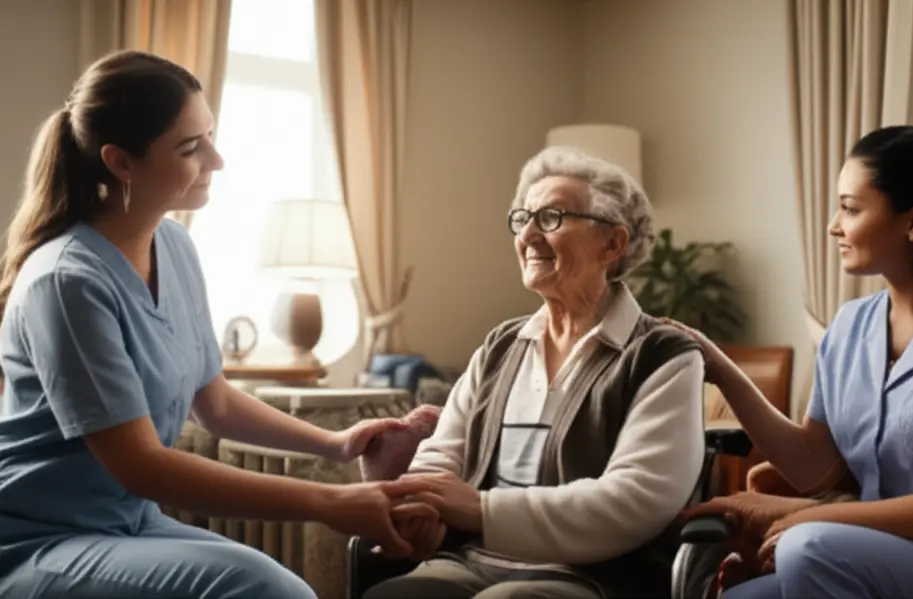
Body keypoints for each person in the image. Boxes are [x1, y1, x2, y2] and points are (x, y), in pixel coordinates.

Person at [0, 50, 434, 599]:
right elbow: (144, 469)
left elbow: (217, 402)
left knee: (288, 591)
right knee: (263, 590)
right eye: (191, 147)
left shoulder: (175, 246)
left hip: (129, 525)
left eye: (210, 135)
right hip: (39, 539)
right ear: (120, 162)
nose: (217, 160)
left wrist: (337, 444)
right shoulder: (67, 282)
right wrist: (329, 502)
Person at [667, 125, 913, 599]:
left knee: (806, 547)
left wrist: (802, 516)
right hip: (878, 551)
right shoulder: (850, 324)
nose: (834, 225)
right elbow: (813, 463)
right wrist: (721, 368)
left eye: (850, 209)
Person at [366, 146, 708, 599]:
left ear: (612, 243)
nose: (528, 234)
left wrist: (480, 510)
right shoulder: (501, 346)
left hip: (593, 576)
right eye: (522, 218)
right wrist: (422, 507)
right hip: (473, 559)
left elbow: (634, 499)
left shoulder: (661, 355)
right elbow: (444, 450)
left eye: (551, 218)